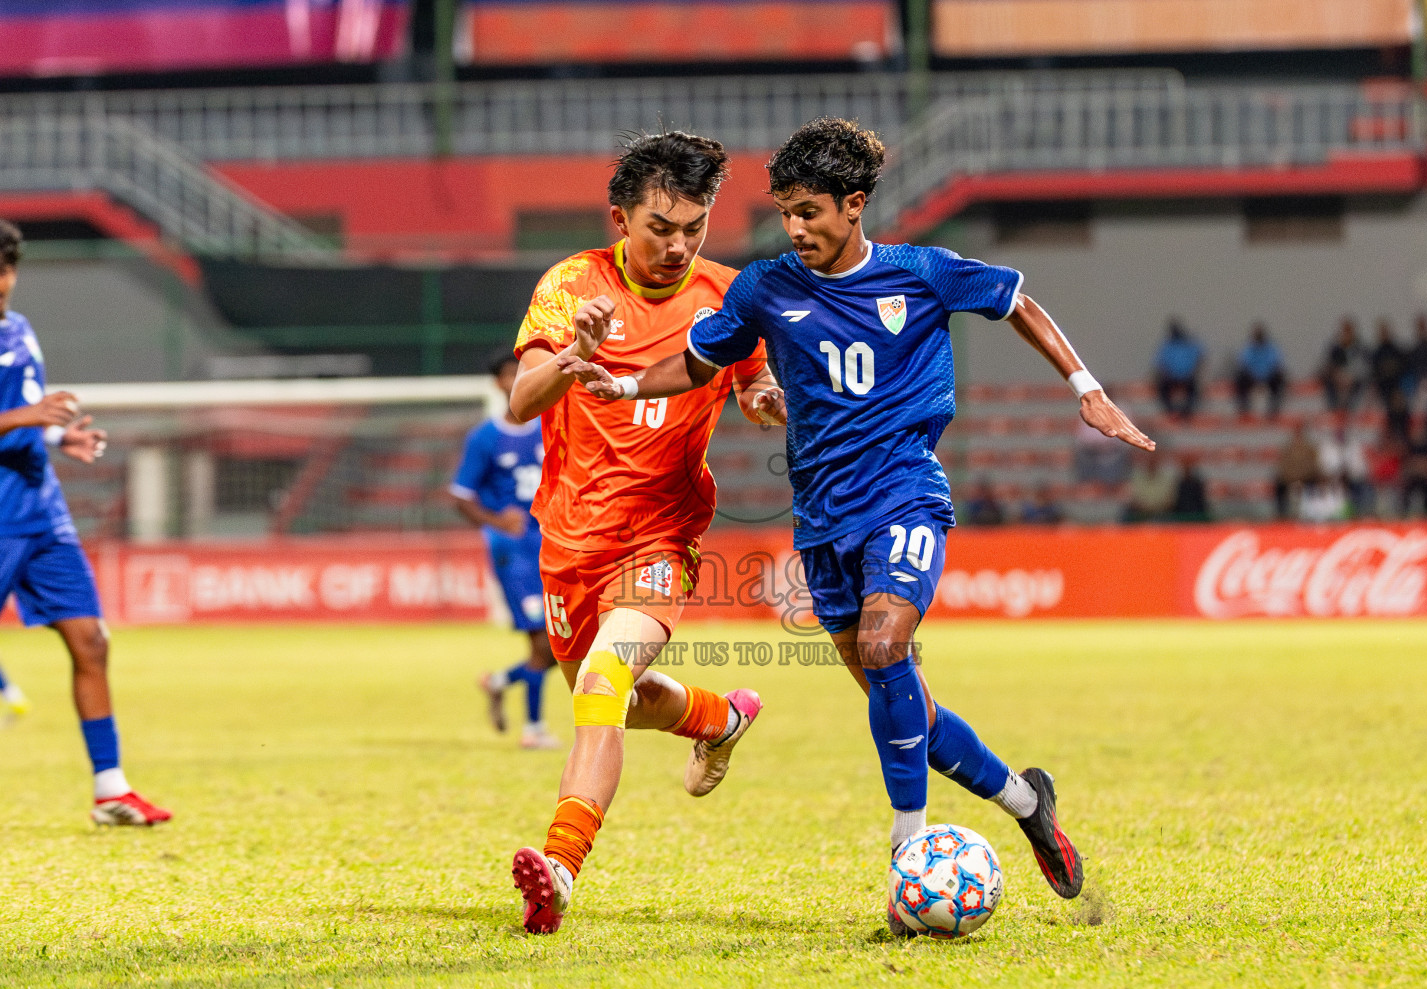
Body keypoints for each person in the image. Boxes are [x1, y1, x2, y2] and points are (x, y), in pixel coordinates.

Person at [561, 117, 1155, 929]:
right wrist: (621, 388)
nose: (795, 228)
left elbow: (1018, 300)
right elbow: (697, 361)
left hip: (905, 493)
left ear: (854, 204)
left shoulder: (922, 272)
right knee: (898, 694)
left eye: (809, 211)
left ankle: (906, 857)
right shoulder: (766, 288)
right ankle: (1027, 803)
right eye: (786, 213)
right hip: (822, 519)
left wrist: (1085, 386)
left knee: (885, 648)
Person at [502, 133, 786, 935]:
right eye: (661, 226)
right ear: (619, 217)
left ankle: (559, 868)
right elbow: (523, 402)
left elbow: (754, 380)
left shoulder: (728, 296)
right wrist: (575, 356)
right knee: (613, 699)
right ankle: (717, 719)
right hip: (568, 542)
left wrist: (765, 402)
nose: (678, 245)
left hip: (660, 537)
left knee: (602, 682)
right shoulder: (570, 286)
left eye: (694, 227)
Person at [0, 219, 171, 826]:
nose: (2, 281)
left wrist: (57, 433)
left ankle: (110, 789)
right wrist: (25, 416)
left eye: (7, 267)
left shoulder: (19, 330)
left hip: (41, 512)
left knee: (92, 641)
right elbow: (15, 412)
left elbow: (25, 413)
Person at [449, 348, 560, 748]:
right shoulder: (485, 438)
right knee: (543, 642)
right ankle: (533, 729)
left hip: (552, 542)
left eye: (524, 372)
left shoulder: (551, 425)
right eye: (510, 374)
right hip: (513, 551)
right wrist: (498, 522)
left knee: (562, 643)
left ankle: (499, 682)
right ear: (498, 384)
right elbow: (460, 496)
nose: (517, 380)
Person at [1232, 322, 1286, 420]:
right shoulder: (1248, 349)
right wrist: (1254, 378)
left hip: (1269, 377)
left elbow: (1276, 364)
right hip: (1251, 378)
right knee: (1240, 379)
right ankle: (1244, 410)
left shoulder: (1271, 348)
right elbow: (1244, 365)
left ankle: (1273, 411)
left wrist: (1265, 378)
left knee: (1279, 379)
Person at [1153, 318, 1203, 420]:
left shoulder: (1189, 345)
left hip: (1187, 378)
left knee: (1193, 392)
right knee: (1163, 390)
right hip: (1171, 378)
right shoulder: (1167, 346)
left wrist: (1194, 372)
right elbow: (1160, 364)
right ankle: (1172, 412)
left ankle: (1186, 413)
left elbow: (1200, 359)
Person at [1274, 421, 1321, 520]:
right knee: (1279, 485)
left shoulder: (1310, 449)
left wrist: (1301, 478)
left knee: (1315, 483)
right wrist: (1292, 479)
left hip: (1306, 478)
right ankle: (1281, 516)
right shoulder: (1288, 449)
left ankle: (1312, 514)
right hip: (1290, 479)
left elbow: (1313, 466)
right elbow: (1283, 467)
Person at [1319, 317, 1367, 413]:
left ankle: (1349, 409)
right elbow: (1327, 365)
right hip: (1337, 379)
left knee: (1360, 385)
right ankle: (1334, 410)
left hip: (1354, 378)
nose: (1346, 334)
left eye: (1348, 331)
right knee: (1328, 383)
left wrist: (1350, 376)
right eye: (1344, 331)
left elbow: (1364, 368)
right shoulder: (1335, 349)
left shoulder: (1360, 348)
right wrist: (1337, 375)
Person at [1121, 449, 1178, 523]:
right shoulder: (1135, 477)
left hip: (1162, 515)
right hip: (1139, 515)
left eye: (1154, 458)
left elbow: (1170, 501)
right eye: (1149, 458)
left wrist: (1155, 510)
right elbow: (1133, 499)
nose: (1152, 461)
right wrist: (1144, 510)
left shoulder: (1168, 477)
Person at [1370, 318, 1407, 409]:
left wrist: (1392, 369)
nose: (1384, 334)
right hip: (1381, 385)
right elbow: (1374, 370)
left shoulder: (1396, 351)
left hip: (1396, 384)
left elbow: (1403, 366)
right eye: (1382, 332)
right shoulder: (1376, 353)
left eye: (1385, 332)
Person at [1169, 453, 1211, 522]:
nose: (1187, 468)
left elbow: (1201, 502)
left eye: (1188, 466)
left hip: (1196, 515)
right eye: (1185, 466)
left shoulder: (1197, 483)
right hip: (1180, 516)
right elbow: (1176, 502)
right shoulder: (1179, 483)